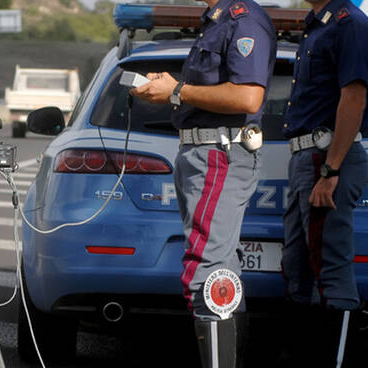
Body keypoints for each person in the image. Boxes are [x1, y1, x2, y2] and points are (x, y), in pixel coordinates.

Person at [130, 1, 276, 367]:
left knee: (206, 270)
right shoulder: (217, 21)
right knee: (221, 268)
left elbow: (247, 96)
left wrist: (177, 91)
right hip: (203, 151)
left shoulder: (244, 20)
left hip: (219, 151)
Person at [278, 0, 368, 366]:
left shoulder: (350, 24)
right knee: (298, 268)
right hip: (307, 158)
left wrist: (330, 172)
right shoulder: (318, 24)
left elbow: (354, 97)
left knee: (330, 269)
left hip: (327, 158)